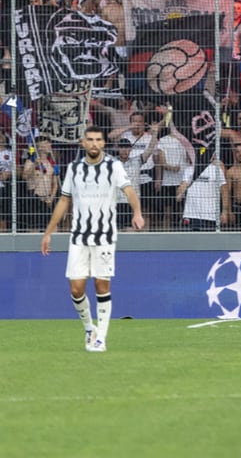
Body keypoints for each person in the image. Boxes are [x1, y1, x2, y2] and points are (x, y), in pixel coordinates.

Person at [40, 126, 144, 353]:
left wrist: (137, 212)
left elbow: (129, 190)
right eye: (90, 139)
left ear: (104, 143)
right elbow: (64, 201)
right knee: (76, 288)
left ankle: (101, 339)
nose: (94, 143)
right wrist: (49, 231)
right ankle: (89, 328)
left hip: (105, 236)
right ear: (83, 143)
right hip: (78, 237)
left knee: (101, 284)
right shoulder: (74, 169)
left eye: (98, 139)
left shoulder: (114, 166)